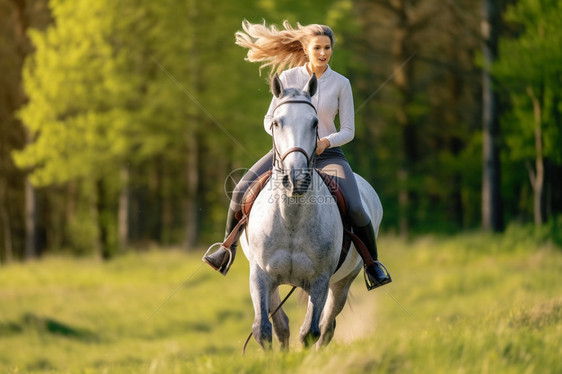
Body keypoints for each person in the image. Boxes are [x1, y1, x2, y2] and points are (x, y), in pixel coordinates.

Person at [203, 20, 391, 290]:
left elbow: (348, 130)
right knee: (240, 191)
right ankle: (226, 250)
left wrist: (325, 142)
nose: (323, 53)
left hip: (327, 155)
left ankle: (372, 266)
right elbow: (269, 118)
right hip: (287, 154)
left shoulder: (341, 84)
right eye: (317, 48)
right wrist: (283, 138)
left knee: (357, 207)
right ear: (306, 48)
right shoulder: (289, 78)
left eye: (327, 48)